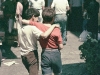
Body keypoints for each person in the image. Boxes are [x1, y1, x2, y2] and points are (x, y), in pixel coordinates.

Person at [22, 7, 63, 75]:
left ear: (43, 18)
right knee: (57, 72)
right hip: (56, 54)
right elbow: (61, 46)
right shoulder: (56, 29)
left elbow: (24, 21)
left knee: (46, 72)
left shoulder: (39, 26)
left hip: (45, 53)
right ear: (53, 18)